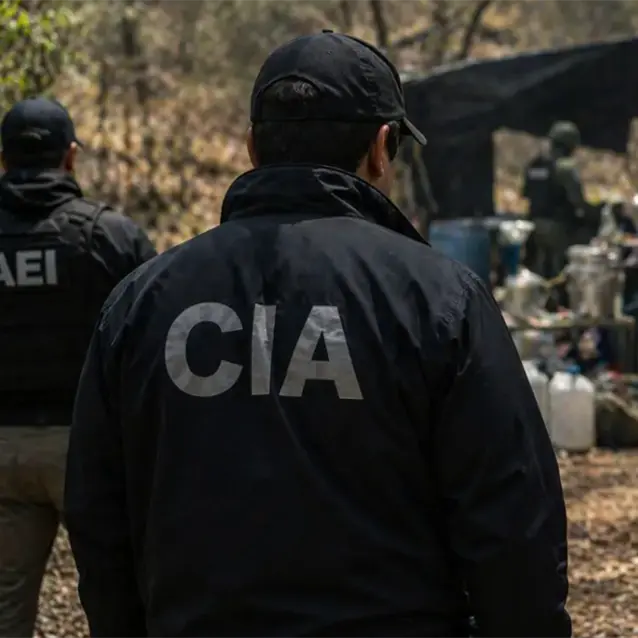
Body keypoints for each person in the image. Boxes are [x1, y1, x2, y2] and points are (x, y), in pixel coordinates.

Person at [66, 31, 571, 638]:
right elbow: (513, 520)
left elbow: (98, 514)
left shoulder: (141, 302)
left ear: (252, 146)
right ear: (381, 148)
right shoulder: (440, 300)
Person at [0, 96, 157, 638]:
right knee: (120, 595)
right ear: (70, 156)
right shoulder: (110, 236)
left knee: (5, 605)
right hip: (88, 448)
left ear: (3, 159)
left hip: (2, 447)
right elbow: (153, 342)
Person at [522, 121, 589, 277]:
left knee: (537, 270)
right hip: (557, 227)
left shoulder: (535, 164)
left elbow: (525, 193)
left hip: (533, 224)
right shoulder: (565, 167)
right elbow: (578, 202)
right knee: (561, 269)